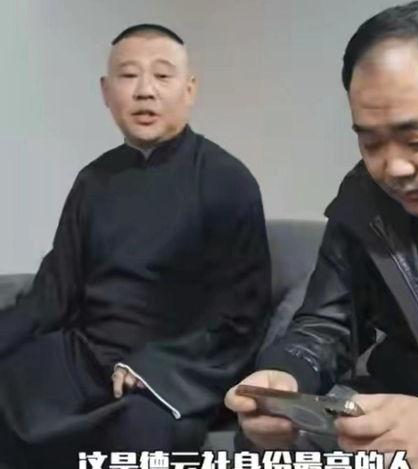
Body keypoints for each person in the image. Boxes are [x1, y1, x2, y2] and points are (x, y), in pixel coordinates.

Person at [225, 2, 418, 468]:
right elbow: (326, 324)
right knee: (259, 448)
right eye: (370, 142)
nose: (393, 168)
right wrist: (285, 376)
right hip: (401, 414)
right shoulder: (365, 198)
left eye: (416, 139)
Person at [0, 24, 271, 467]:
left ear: (189, 89)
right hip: (86, 357)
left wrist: (154, 368)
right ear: (106, 92)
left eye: (162, 76)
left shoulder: (227, 180)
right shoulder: (93, 181)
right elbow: (53, 293)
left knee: (136, 432)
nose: (145, 91)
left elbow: (240, 315)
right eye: (128, 76)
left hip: (171, 372)